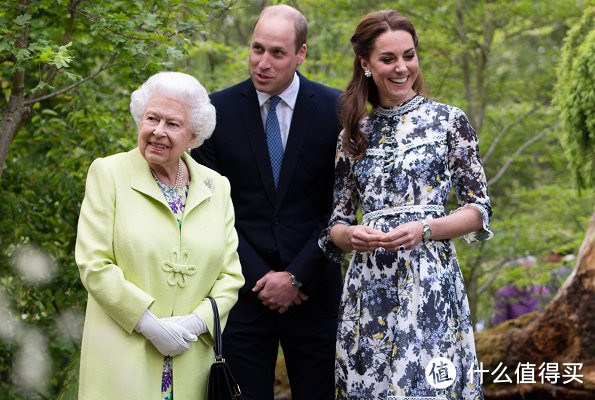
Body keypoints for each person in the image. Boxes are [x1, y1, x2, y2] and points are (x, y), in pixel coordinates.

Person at [318, 10, 493, 400]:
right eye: (388, 59)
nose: (402, 68)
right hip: (369, 288)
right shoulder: (353, 135)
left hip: (429, 280)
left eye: (409, 56)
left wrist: (426, 229)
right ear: (365, 64)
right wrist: (352, 235)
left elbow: (478, 209)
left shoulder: (449, 121)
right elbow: (336, 224)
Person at [192, 4, 343, 400]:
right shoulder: (215, 113)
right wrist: (262, 279)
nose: (262, 62)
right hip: (242, 293)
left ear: (301, 53)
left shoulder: (337, 110)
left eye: (277, 53)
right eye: (257, 49)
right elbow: (210, 209)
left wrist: (297, 277)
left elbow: (340, 205)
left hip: (315, 290)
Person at [75, 71, 244, 399]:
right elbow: (94, 264)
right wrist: (149, 323)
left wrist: (195, 324)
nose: (158, 131)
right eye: (152, 118)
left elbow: (230, 275)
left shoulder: (216, 186)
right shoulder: (108, 174)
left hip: (189, 358)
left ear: (193, 135)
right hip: (122, 360)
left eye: (172, 124)